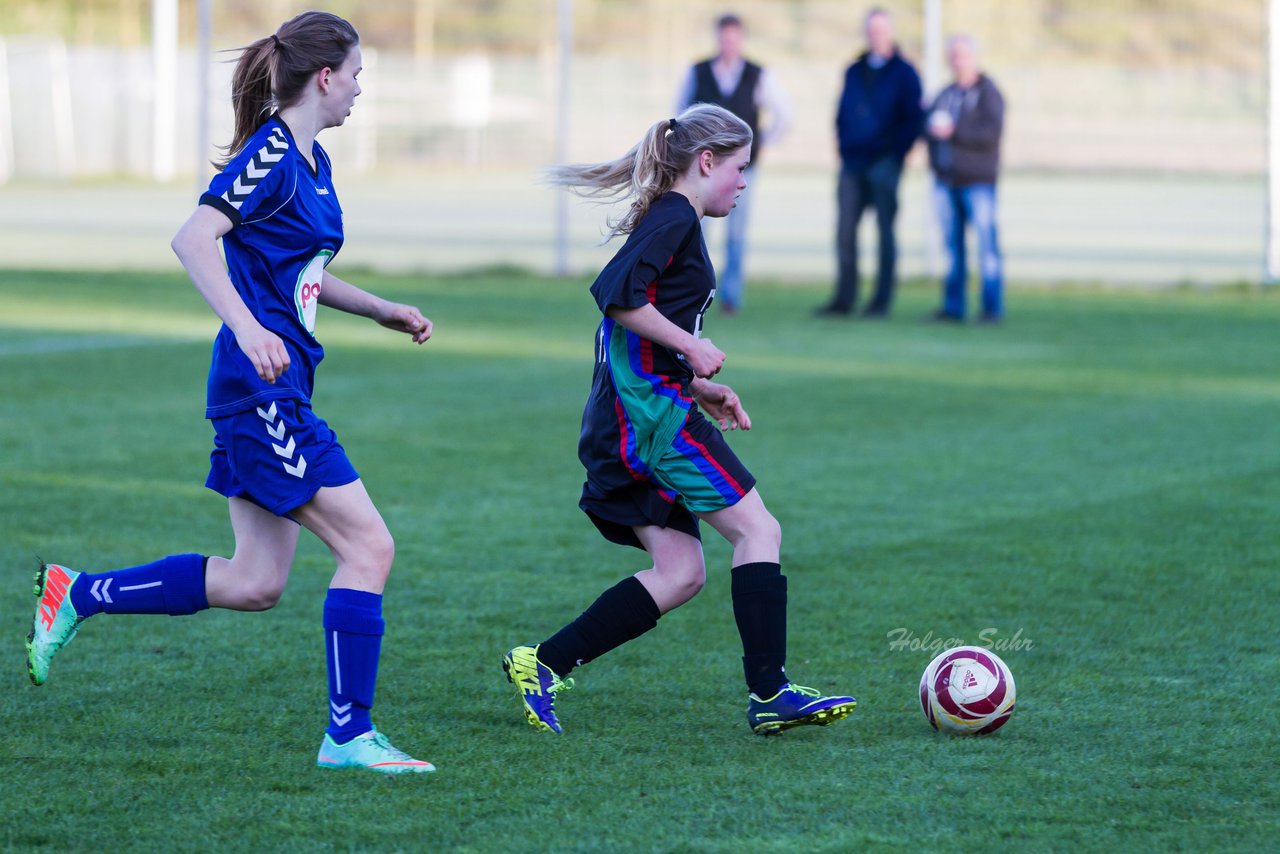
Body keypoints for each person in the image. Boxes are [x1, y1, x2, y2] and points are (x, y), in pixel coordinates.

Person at [25, 11, 437, 775]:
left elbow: (298, 269)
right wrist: (248, 329)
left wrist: (379, 307)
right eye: (356, 77)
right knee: (369, 546)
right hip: (262, 394)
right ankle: (348, 736)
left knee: (254, 583)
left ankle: (77, 593)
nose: (359, 93)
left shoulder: (314, 164)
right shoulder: (272, 152)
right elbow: (193, 238)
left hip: (275, 388)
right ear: (324, 77)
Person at [503, 103, 856, 737]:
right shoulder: (674, 217)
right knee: (759, 532)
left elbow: (633, 340)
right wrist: (692, 350)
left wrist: (697, 385)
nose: (745, 182)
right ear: (706, 162)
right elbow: (615, 297)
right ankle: (770, 694)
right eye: (740, 168)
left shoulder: (676, 220)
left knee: (681, 573)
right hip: (652, 426)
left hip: (639, 416)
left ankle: (542, 663)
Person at [674, 13, 793, 315]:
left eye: (733, 39)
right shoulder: (698, 72)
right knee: (694, 231)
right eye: (724, 38)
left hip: (741, 169)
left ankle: (730, 296)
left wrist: (759, 144)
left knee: (736, 235)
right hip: (703, 168)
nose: (728, 44)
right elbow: (679, 116)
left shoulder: (757, 75)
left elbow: (784, 116)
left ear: (741, 40)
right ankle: (691, 291)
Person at [818, 7, 923, 318]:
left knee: (885, 232)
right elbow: (842, 112)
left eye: (881, 30)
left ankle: (880, 301)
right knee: (845, 232)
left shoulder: (905, 73)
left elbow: (914, 119)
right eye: (871, 30)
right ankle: (844, 299)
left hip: (884, 163)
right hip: (852, 162)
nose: (876, 36)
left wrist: (894, 155)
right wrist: (843, 145)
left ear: (890, 33)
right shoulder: (854, 69)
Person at [925, 34, 1006, 323]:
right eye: (953, 55)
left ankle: (991, 308)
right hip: (946, 182)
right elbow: (928, 128)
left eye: (962, 55)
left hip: (978, 182)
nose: (958, 61)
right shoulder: (945, 95)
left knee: (987, 247)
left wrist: (955, 132)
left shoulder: (988, 93)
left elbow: (990, 134)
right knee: (952, 249)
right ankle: (953, 307)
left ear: (973, 57)